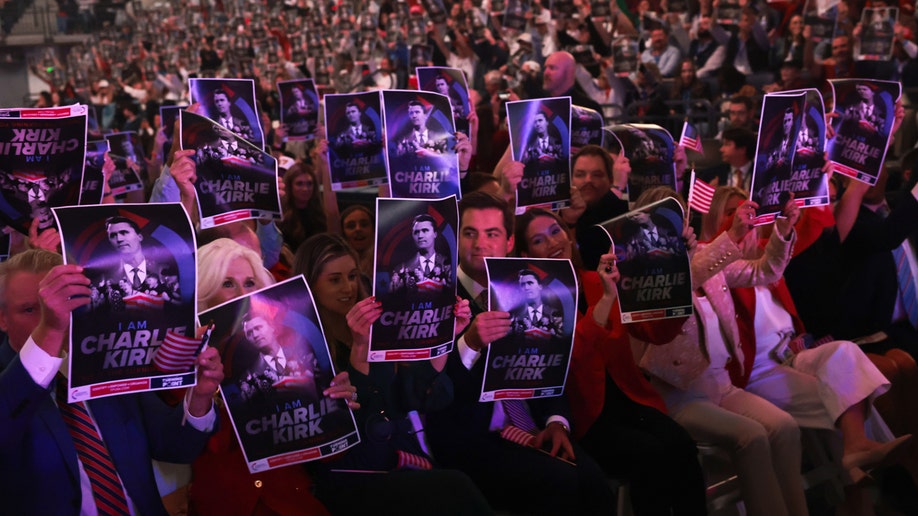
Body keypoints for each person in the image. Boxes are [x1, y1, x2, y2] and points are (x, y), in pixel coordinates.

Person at [425, 191, 615, 515]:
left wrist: (557, 422)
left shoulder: (529, 286)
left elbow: (548, 370)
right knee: (560, 485)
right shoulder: (433, 295)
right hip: (472, 438)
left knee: (596, 484)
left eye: (492, 234)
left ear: (509, 241)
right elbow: (432, 395)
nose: (480, 243)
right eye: (469, 233)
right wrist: (469, 344)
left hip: (533, 426)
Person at [513, 208, 709, 515]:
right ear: (525, 254)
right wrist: (605, 302)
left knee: (682, 445)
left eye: (555, 231)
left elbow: (655, 332)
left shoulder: (596, 280)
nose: (553, 242)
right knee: (651, 456)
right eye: (539, 240)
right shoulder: (528, 302)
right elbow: (570, 358)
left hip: (628, 400)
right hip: (583, 417)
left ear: (568, 234)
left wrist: (678, 269)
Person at [0, 249, 221, 515]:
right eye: (29, 309)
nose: (53, 316)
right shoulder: (8, 384)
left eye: (63, 303)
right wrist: (49, 329)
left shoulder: (107, 362)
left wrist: (199, 397)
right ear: (2, 318)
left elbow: (174, 447)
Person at [631, 188, 810, 516]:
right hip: (679, 397)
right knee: (752, 436)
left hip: (723, 386)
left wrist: (783, 231)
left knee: (785, 427)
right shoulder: (643, 272)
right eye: (666, 217)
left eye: (680, 215)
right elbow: (685, 279)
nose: (678, 224)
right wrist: (730, 236)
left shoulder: (704, 253)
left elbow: (764, 272)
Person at [293, 233, 493, 514]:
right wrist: (360, 348)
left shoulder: (380, 327)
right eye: (335, 279)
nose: (349, 287)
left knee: (459, 486)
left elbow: (422, 396)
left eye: (352, 275)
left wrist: (443, 339)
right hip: (352, 472)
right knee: (456, 488)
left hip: (400, 456)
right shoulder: (304, 346)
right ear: (310, 286)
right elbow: (356, 422)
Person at [189, 238, 352, 515]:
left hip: (292, 499)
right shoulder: (182, 361)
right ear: (203, 293)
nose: (242, 293)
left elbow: (333, 451)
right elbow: (180, 446)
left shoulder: (301, 355)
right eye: (228, 283)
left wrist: (338, 407)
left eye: (250, 283)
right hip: (225, 504)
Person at [236, 310, 320, 403]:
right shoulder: (248, 378)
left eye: (258, 328)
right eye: (249, 333)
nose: (255, 335)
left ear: (272, 326)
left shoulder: (305, 356)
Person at [100, 215, 170, 292]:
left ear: (139, 237)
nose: (119, 239)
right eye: (113, 235)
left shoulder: (165, 270)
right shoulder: (106, 279)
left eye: (124, 232)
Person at [389, 214, 452, 294]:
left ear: (435, 234)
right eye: (416, 232)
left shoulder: (449, 265)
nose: (420, 236)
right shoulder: (401, 270)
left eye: (425, 230)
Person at [279, 163, 329, 253]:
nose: (305, 189)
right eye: (299, 184)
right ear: (290, 186)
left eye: (309, 184)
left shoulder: (319, 214)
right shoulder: (281, 217)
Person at [509, 268, 564, 338]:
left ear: (540, 286)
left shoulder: (555, 313)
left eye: (530, 283)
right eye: (522, 284)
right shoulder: (514, 315)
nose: (526, 287)